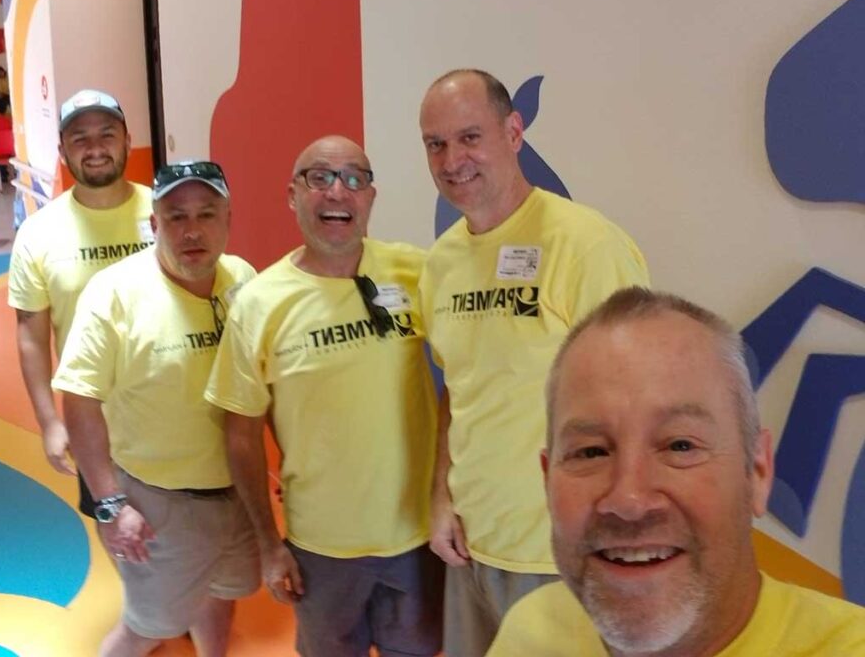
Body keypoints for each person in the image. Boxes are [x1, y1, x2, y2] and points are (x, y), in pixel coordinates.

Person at [487, 287, 865, 656]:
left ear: (758, 472)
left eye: (680, 446)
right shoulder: (531, 628)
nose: (628, 500)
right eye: (590, 452)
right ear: (547, 479)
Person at [417, 68, 650, 655]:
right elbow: (459, 388)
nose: (453, 160)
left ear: (514, 132)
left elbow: (643, 398)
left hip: (565, 555)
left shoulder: (587, 245)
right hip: (471, 546)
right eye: (435, 144)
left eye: (470, 137)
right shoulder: (440, 263)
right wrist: (443, 495)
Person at [206, 136, 443, 657]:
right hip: (321, 548)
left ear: (371, 197)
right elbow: (241, 435)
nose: (338, 191)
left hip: (418, 537)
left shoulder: (418, 272)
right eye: (319, 177)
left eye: (355, 178)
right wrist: (271, 546)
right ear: (292, 195)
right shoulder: (259, 304)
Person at [55, 160, 259, 657]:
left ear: (228, 219)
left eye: (207, 214)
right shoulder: (114, 293)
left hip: (236, 491)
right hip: (159, 500)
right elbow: (80, 398)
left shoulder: (243, 280)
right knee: (146, 629)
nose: (193, 231)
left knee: (223, 593)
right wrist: (108, 502)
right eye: (176, 217)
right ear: (154, 225)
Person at [7, 89, 153, 521]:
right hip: (95, 424)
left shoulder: (165, 212)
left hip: (176, 411)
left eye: (106, 134)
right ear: (63, 152)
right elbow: (31, 336)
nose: (94, 149)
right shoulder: (38, 234)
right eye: (80, 138)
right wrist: (50, 420)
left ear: (127, 140)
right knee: (123, 540)